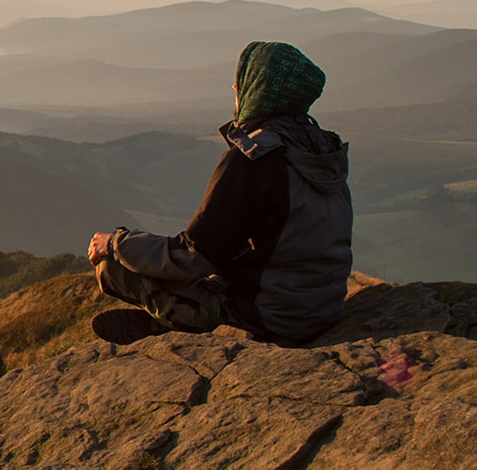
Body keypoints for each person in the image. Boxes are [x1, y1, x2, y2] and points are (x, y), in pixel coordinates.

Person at [87, 41, 352, 345]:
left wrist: (116, 243)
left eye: (242, 81)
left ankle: (174, 324)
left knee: (113, 269)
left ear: (257, 88)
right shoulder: (323, 150)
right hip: (323, 308)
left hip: (273, 319)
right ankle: (168, 322)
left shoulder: (254, 159)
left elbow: (192, 256)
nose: (234, 87)